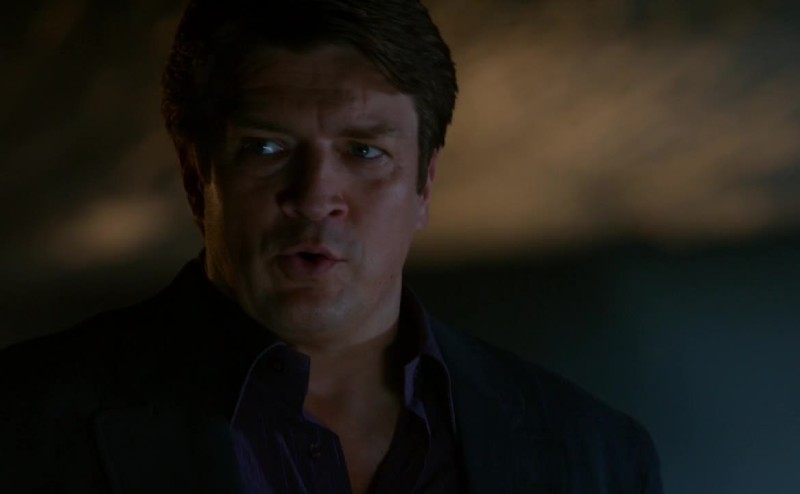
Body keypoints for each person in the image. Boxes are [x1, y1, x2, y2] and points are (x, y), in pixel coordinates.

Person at [0, 0, 662, 492]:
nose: (316, 197)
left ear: (425, 184)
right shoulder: (22, 425)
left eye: (365, 152)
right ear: (197, 179)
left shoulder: (596, 454)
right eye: (267, 148)